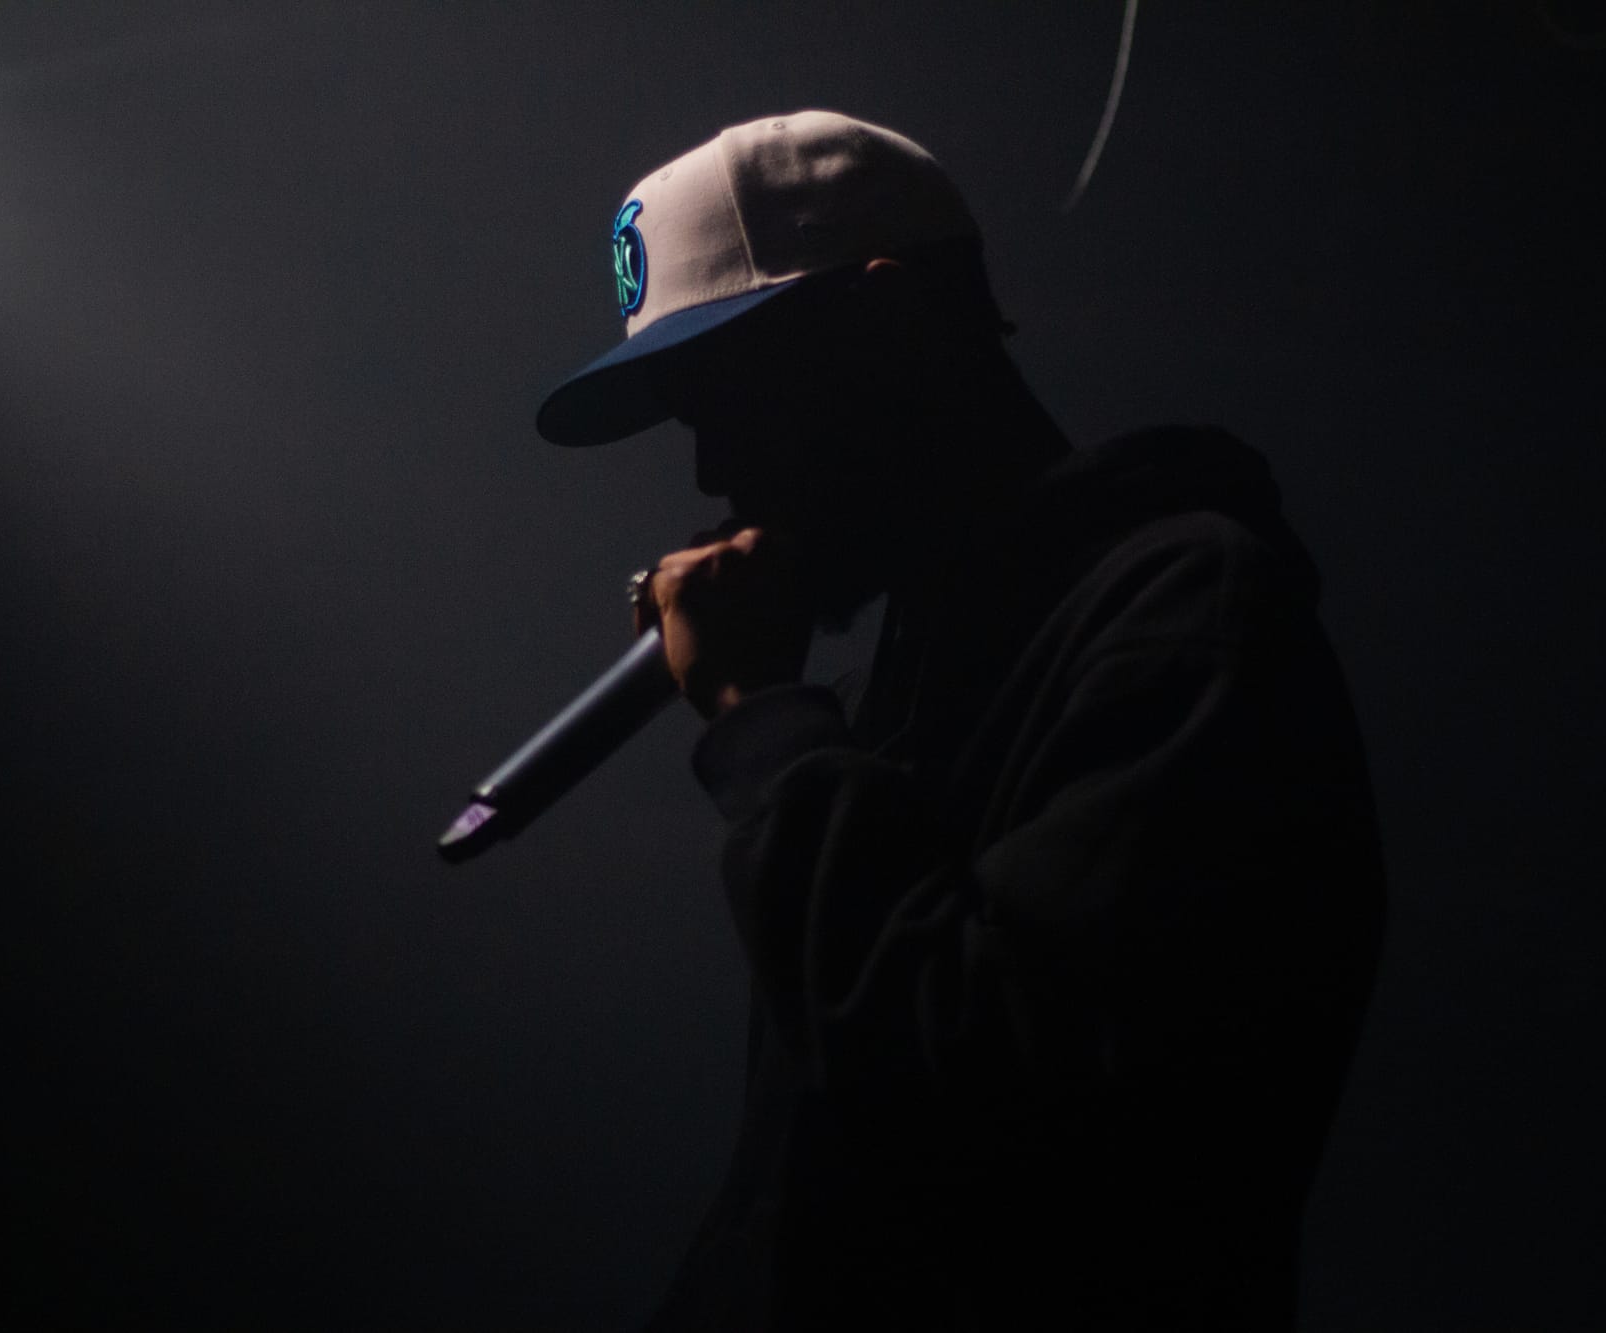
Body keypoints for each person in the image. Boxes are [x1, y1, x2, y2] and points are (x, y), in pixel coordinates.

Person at [534, 111, 1385, 1332]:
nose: (713, 472)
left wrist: (764, 721)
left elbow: (980, 1085)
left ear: (893, 327)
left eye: (733, 399)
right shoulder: (920, 667)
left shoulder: (1186, 612)